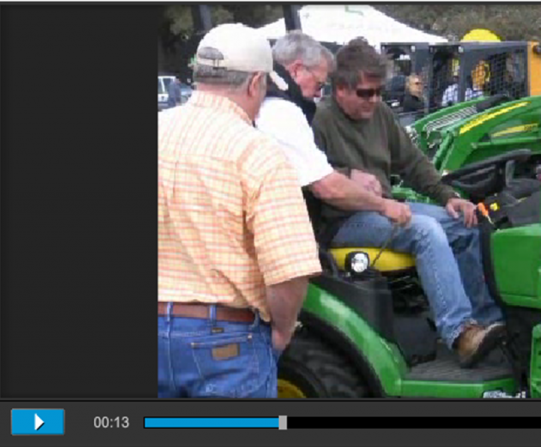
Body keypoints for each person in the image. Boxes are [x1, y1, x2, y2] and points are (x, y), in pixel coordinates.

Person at [312, 38, 506, 368]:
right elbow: (306, 175)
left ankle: (488, 325)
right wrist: (345, 174)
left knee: (466, 223)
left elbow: (413, 163)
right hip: (342, 220)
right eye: (365, 93)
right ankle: (459, 333)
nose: (374, 100)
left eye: (378, 92)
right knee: (425, 231)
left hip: (382, 209)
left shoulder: (381, 115)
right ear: (340, 88)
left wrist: (451, 198)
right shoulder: (319, 121)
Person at [158, 23, 321, 398]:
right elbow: (289, 270)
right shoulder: (258, 152)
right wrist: (281, 331)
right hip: (224, 343)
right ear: (255, 84)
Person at [254, 31, 412, 229]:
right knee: (426, 232)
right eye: (319, 84)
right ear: (297, 70)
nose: (319, 93)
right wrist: (383, 205)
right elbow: (325, 186)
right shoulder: (282, 111)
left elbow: (412, 159)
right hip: (295, 225)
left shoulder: (261, 100)